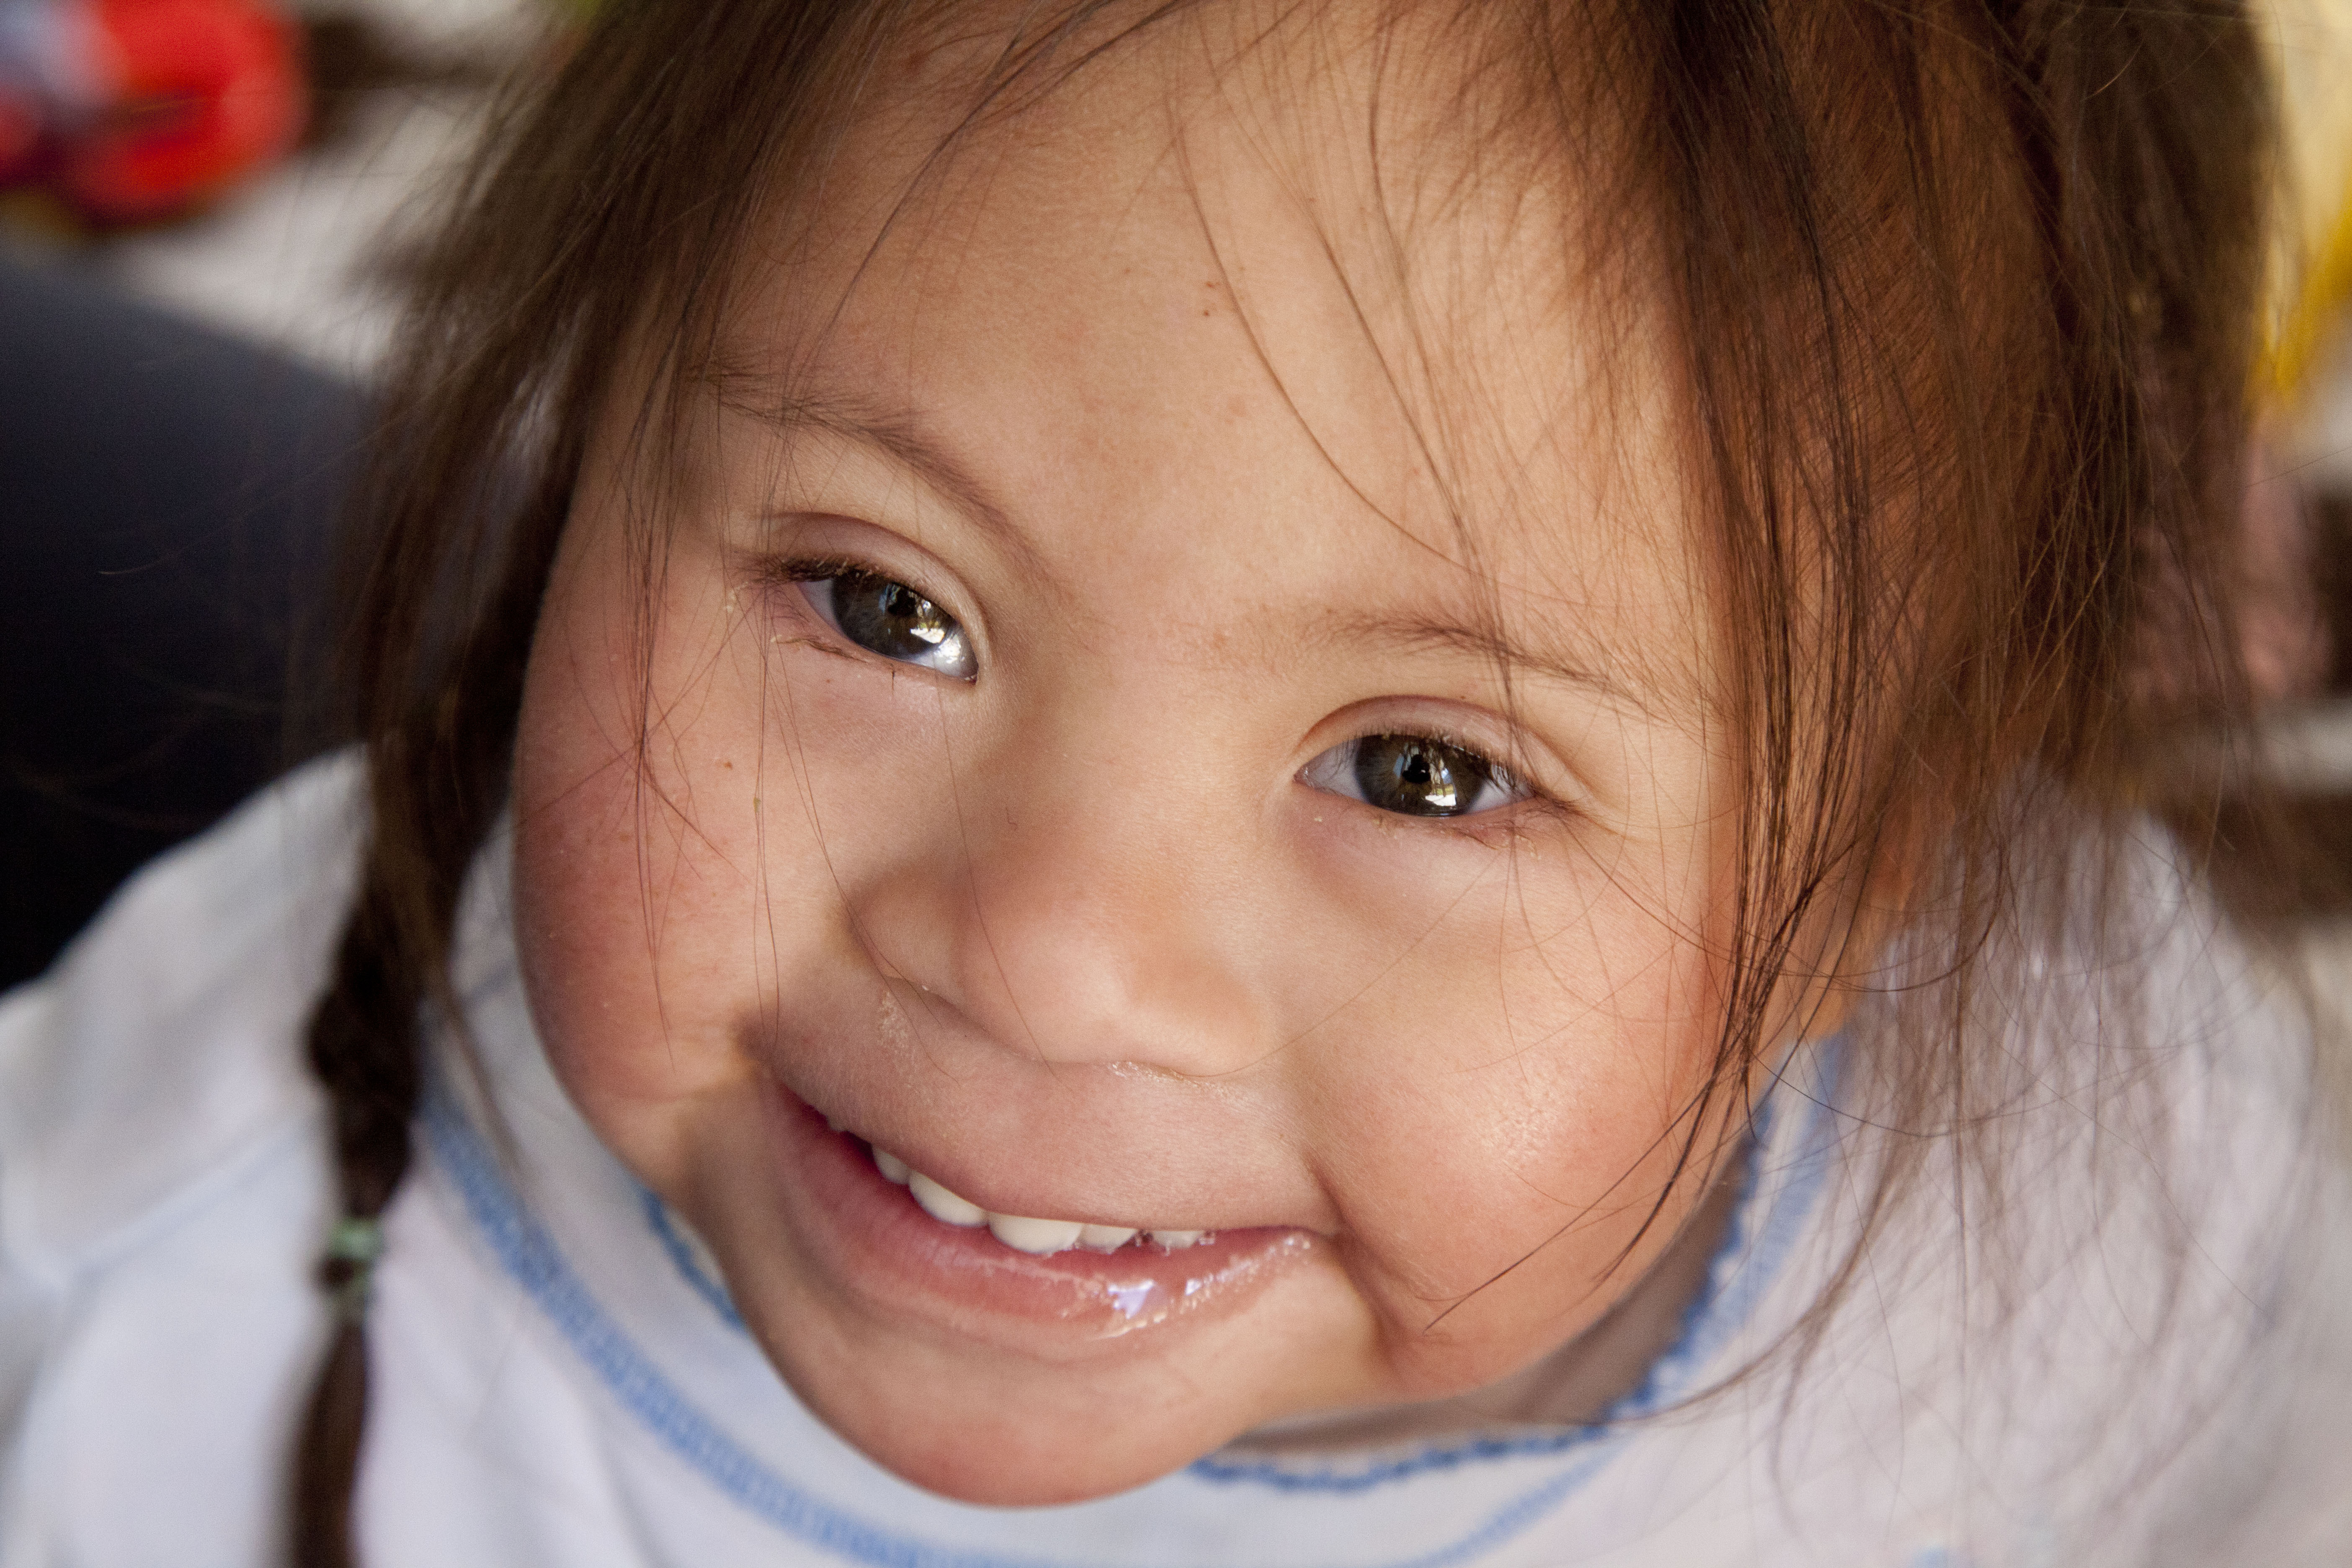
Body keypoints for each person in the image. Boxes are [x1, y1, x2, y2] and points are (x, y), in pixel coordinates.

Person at [4, 2, 2348, 1564]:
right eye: (880, 606)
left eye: (1428, 769)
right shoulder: (184, 1241)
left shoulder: (2102, 1219)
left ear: (1873, 873)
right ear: (586, 432)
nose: (1048, 956)